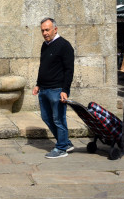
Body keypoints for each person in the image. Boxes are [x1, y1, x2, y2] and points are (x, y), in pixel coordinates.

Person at [32, 16, 75, 159]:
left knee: (59, 119)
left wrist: (65, 90)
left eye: (47, 30)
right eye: (42, 30)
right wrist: (38, 84)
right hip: (43, 89)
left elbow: (69, 70)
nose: (45, 33)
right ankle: (66, 143)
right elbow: (42, 66)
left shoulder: (65, 45)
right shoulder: (45, 45)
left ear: (55, 29)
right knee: (46, 117)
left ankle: (61, 148)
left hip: (57, 90)